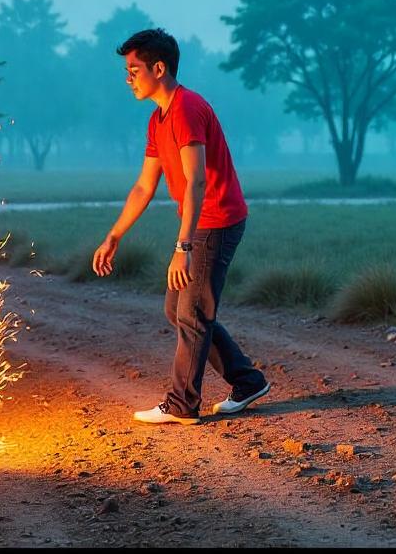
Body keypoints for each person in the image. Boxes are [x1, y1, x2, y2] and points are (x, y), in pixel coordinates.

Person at [92, 28, 269, 425]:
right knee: (180, 310)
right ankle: (248, 381)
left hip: (216, 220)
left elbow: (198, 181)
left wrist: (183, 247)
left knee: (191, 313)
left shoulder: (187, 108)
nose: (128, 78)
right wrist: (114, 236)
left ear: (159, 68)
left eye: (134, 69)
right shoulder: (159, 119)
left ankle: (182, 405)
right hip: (202, 222)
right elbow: (143, 185)